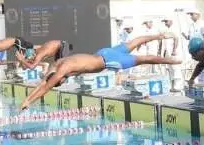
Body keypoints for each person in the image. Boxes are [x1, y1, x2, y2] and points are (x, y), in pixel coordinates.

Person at [19, 34, 179, 111]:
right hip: (104, 52)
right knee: (134, 42)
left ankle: (173, 60)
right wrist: (27, 99)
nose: (61, 82)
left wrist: (29, 102)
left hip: (109, 61)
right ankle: (160, 35)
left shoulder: (61, 70)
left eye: (59, 82)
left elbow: (46, 87)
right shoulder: (57, 64)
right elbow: (43, 83)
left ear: (59, 79)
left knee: (146, 59)